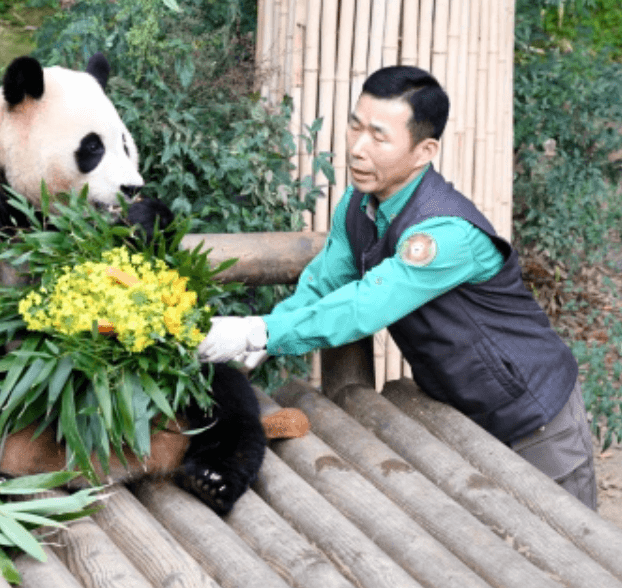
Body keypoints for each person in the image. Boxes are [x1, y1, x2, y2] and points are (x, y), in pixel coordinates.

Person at [197, 65, 597, 509]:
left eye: (379, 137)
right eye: (355, 126)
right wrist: (268, 332)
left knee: (567, 549)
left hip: (535, 416)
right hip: (461, 415)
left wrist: (261, 333)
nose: (357, 148)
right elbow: (326, 282)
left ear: (424, 150)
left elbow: (366, 305)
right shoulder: (359, 204)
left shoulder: (446, 233)